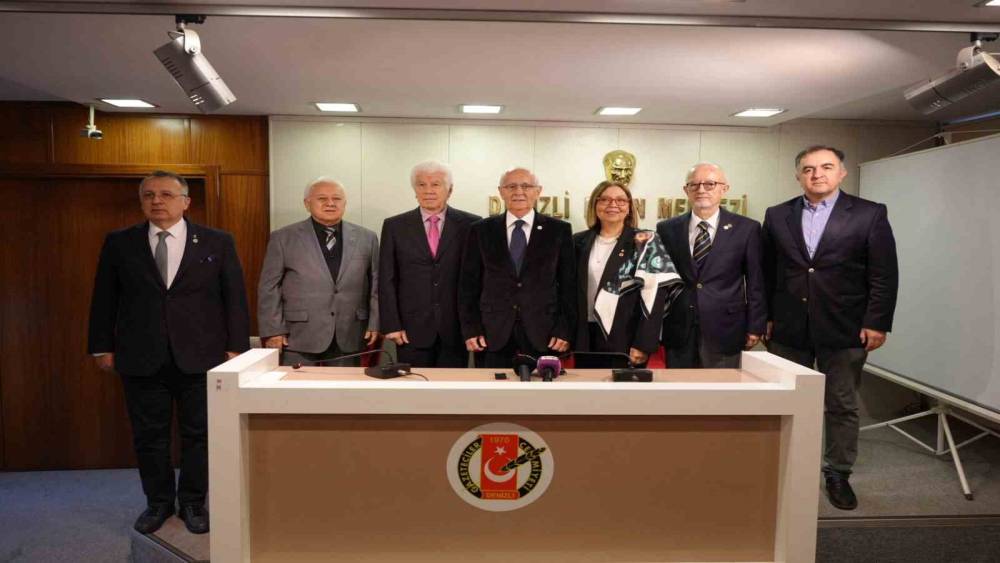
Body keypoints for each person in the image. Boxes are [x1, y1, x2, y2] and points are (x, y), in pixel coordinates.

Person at [87, 170, 250, 535]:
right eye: (148, 195)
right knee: (149, 436)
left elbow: (235, 298)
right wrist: (101, 346)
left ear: (186, 202)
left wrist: (236, 348)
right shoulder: (120, 242)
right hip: (140, 356)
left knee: (200, 434)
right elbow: (104, 298)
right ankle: (158, 502)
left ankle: (193, 502)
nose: (156, 201)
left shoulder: (217, 241)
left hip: (202, 356)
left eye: (165, 194)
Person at [762, 145, 898, 511]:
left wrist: (876, 321)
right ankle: (789, 466)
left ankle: (837, 472)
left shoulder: (869, 213)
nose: (817, 174)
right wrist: (766, 317)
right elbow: (767, 271)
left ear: (841, 173)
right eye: (808, 169)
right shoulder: (777, 215)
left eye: (826, 167)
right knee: (788, 402)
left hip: (846, 327)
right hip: (789, 328)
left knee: (842, 403)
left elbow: (883, 274)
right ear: (798, 176)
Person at [459, 167, 576, 368]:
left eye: (526, 186)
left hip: (544, 333)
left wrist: (564, 329)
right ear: (501, 191)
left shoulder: (559, 230)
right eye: (511, 186)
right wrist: (471, 328)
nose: (519, 192)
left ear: (538, 191)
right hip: (491, 333)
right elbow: (468, 285)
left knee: (541, 387)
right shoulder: (480, 230)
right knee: (492, 387)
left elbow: (569, 286)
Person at [258, 178, 379, 367]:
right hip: (298, 336)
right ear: (307, 204)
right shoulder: (283, 238)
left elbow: (376, 285)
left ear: (345, 203)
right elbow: (269, 287)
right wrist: (273, 330)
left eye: (336, 198)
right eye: (322, 198)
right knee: (299, 387)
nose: (330, 203)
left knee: (344, 386)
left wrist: (375, 323)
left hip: (350, 333)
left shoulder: (368, 238)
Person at [657, 162, 766, 368]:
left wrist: (755, 324)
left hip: (726, 328)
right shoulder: (667, 228)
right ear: (686, 190)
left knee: (721, 387)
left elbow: (756, 282)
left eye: (710, 184)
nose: (701, 190)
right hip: (679, 328)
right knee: (678, 386)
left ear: (724, 189)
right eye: (694, 184)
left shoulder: (747, 228)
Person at [379, 161, 480, 367]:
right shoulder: (395, 226)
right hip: (410, 329)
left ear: (449, 190)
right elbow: (387, 279)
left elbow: (478, 279)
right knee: (414, 385)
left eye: (436, 184)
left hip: (456, 329)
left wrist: (474, 327)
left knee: (452, 385)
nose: (428, 191)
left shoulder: (472, 224)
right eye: (421, 185)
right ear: (414, 190)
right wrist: (392, 324)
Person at [574, 180, 682, 368]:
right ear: (594, 205)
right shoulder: (578, 241)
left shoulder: (644, 241)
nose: (613, 204)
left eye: (621, 200)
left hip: (626, 338)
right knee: (586, 386)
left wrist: (644, 343)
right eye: (604, 199)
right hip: (583, 335)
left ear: (629, 207)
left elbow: (655, 294)